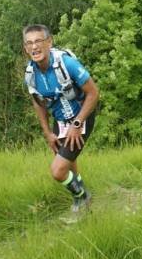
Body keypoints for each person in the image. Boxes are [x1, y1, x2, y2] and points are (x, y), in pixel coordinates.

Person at [23, 24, 99, 212]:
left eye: (39, 41)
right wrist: (47, 132)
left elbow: (94, 94)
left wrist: (76, 123)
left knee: (58, 171)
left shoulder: (67, 64)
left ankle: (82, 198)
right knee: (68, 161)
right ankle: (81, 189)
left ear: (49, 42)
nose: (34, 47)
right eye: (29, 43)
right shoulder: (30, 74)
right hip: (60, 120)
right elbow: (37, 103)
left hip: (81, 116)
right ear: (25, 48)